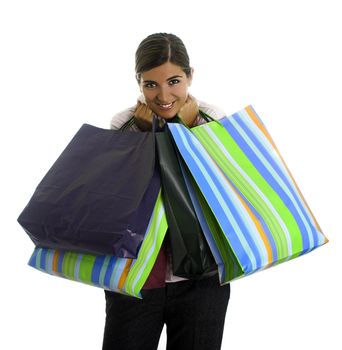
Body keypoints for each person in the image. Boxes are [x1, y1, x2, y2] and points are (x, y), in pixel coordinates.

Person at [102, 33, 231, 350]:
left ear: (190, 76)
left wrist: (186, 132)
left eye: (174, 81)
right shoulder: (125, 124)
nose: (163, 95)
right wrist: (146, 136)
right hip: (137, 277)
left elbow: (221, 191)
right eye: (151, 85)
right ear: (139, 82)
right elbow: (118, 197)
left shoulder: (212, 120)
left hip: (203, 278)